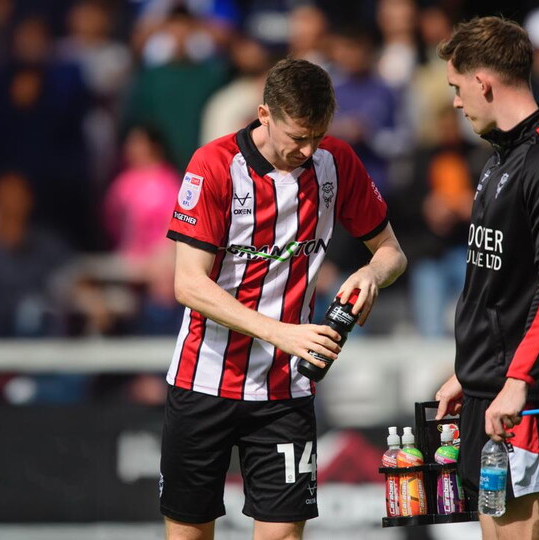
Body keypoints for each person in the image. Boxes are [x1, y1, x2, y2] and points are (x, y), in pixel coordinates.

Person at [159, 58, 407, 540]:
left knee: (283, 535)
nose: (308, 149)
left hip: (285, 391)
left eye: (318, 134)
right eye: (298, 137)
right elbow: (188, 284)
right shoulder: (213, 166)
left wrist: (373, 273)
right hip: (203, 380)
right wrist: (279, 332)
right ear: (264, 115)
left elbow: (392, 251)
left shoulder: (335, 161)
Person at [431, 16, 539, 540]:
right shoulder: (503, 158)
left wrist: (518, 379)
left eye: (458, 88)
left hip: (526, 397)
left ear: (484, 82)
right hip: (490, 390)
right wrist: (471, 371)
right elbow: (496, 279)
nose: (456, 103)